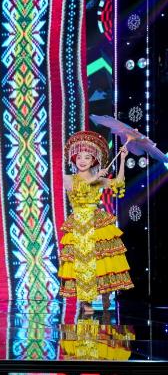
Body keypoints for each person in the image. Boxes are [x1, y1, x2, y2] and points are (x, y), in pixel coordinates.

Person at [58, 130, 132, 317]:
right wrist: (96, 177)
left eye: (87, 157)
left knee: (102, 259)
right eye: (79, 157)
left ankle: (106, 294)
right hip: (79, 223)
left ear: (93, 161)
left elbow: (118, 183)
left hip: (96, 220)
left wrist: (122, 160)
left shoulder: (98, 179)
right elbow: (79, 188)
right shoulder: (68, 178)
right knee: (82, 263)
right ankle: (86, 302)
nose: (82, 160)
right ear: (74, 159)